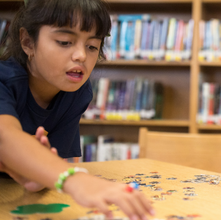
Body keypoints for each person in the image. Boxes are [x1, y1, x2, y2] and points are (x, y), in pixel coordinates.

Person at [0, 0, 154, 219]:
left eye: (92, 46)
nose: (81, 55)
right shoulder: (4, 80)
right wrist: (75, 179)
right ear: (27, 42)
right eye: (65, 42)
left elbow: (58, 164)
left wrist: (38, 176)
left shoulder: (77, 92)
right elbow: (5, 138)